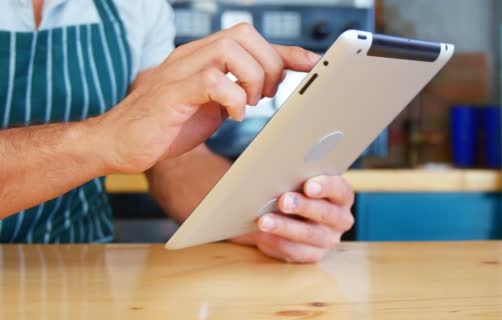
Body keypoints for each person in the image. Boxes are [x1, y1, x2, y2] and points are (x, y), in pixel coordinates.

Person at [0, 0, 355, 263]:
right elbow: (121, 138)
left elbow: (171, 159)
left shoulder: (134, 7)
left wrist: (269, 216)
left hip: (81, 271)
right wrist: (105, 139)